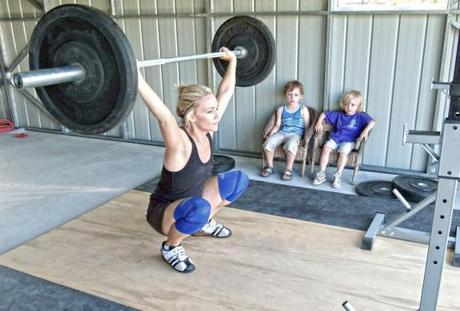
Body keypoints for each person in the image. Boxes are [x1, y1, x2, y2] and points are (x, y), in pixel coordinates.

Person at [137, 47, 249, 273]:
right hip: (164, 213)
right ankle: (171, 246)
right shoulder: (180, 143)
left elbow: (226, 90)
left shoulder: (207, 130)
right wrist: (136, 76)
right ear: (191, 116)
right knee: (198, 207)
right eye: (210, 111)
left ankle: (201, 224)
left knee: (237, 181)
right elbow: (163, 117)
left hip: (193, 200)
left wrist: (232, 61)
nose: (217, 115)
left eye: (215, 109)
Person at [312, 90, 375, 188]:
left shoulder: (360, 116)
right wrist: (319, 123)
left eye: (352, 105)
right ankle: (321, 173)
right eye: (346, 104)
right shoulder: (339, 114)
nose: (349, 107)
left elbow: (372, 122)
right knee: (326, 148)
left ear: (358, 106)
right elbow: (324, 114)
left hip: (350, 141)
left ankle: (338, 175)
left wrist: (365, 131)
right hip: (336, 138)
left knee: (344, 152)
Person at [261, 80, 310, 180]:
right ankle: (270, 166)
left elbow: (307, 126)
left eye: (296, 95)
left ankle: (288, 169)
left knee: (292, 144)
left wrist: (305, 139)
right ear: (285, 95)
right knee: (268, 142)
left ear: (300, 96)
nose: (292, 98)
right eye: (290, 95)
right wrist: (270, 134)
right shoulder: (281, 109)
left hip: (295, 134)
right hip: (282, 132)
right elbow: (277, 125)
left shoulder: (303, 109)